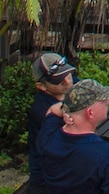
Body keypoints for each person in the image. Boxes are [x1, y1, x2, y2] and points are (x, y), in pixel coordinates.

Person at [29, 79, 109, 194]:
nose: (108, 101)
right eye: (103, 100)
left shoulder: (48, 137)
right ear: (90, 113)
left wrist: (66, 111)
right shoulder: (106, 155)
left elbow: (52, 110)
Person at [26, 52, 76, 189]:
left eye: (68, 73)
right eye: (58, 80)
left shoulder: (72, 86)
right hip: (50, 179)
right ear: (41, 86)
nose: (67, 81)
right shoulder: (42, 112)